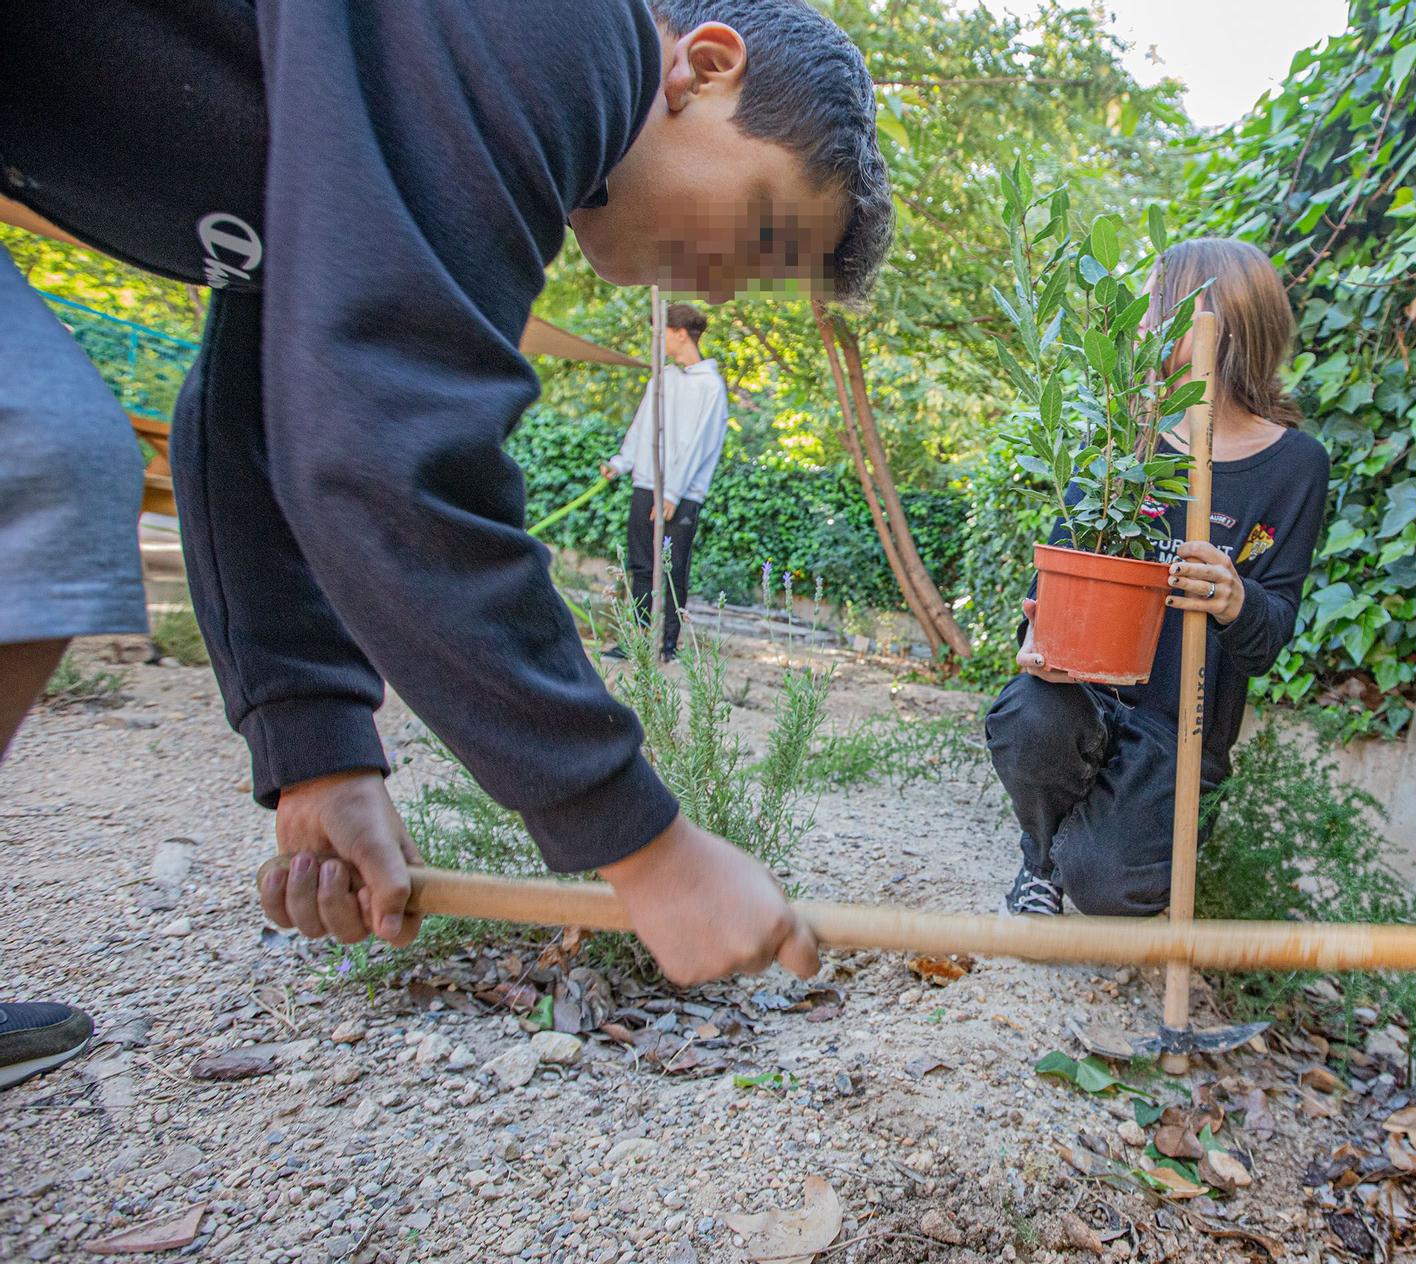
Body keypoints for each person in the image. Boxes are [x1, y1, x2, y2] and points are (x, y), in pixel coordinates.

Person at [0, 0, 894, 987]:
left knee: (42, 448)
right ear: (709, 67)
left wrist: (317, 746)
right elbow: (390, 435)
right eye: (767, 229)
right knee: (38, 458)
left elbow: (268, 405)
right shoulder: (564, 30)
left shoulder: (397, 115)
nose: (726, 291)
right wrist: (645, 844)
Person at [985, 238, 1331, 917]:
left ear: (1213, 325)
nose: (1140, 327)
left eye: (1154, 309)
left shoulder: (1295, 465)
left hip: (1179, 728)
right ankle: (1043, 860)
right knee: (1028, 717)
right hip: (1084, 694)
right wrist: (1038, 634)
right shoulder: (1123, 439)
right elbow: (1063, 564)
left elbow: (1270, 635)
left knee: (1112, 888)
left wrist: (1237, 598)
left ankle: (1095, 845)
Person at [602, 303, 729, 660]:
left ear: (679, 333)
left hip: (682, 493)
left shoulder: (711, 387)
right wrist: (621, 463)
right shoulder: (663, 379)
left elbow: (699, 444)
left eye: (661, 331)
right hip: (646, 484)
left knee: (671, 568)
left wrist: (672, 491)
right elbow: (643, 426)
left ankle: (666, 645)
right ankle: (637, 640)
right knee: (641, 565)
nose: (658, 340)